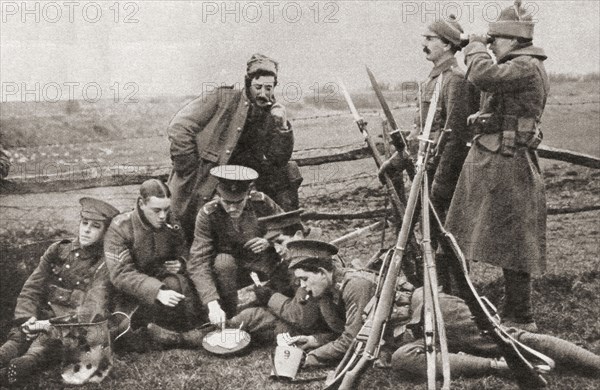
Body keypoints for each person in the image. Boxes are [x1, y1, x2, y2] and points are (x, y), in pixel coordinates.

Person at [444, 2, 549, 331]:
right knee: (463, 232)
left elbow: (482, 75)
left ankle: (519, 316)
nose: (492, 46)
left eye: (495, 40)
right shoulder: (519, 66)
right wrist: (485, 119)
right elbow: (508, 105)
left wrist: (475, 46)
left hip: (507, 162)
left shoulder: (525, 65)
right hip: (495, 159)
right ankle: (461, 306)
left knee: (514, 241)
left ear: (513, 39)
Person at [379, 15, 479, 292]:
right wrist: (398, 160)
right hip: (427, 172)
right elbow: (421, 132)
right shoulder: (434, 80)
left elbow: (456, 137)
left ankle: (460, 300)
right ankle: (441, 297)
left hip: (445, 176)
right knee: (431, 238)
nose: (423, 44)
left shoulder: (456, 81)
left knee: (448, 240)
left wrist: (442, 184)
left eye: (430, 39)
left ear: (447, 45)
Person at [167, 53, 302, 242]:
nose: (263, 93)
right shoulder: (223, 97)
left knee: (289, 172)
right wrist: (187, 165)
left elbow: (278, 159)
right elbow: (179, 126)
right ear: (248, 83)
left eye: (268, 88)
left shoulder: (271, 111)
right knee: (186, 230)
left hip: (245, 182)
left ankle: (287, 237)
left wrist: (282, 126)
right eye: (258, 87)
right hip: (209, 177)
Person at [0, 197, 119, 386]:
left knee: (43, 348)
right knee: (15, 341)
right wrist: (26, 318)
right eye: (84, 223)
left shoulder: (104, 264)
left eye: (95, 226)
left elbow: (90, 311)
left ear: (105, 232)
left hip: (70, 328)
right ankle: (8, 353)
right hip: (39, 318)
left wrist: (46, 325)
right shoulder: (58, 250)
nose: (87, 229)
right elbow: (32, 287)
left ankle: (19, 368)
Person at [391, 288, 600, 381]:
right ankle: (499, 366)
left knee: (515, 341)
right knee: (402, 359)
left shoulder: (359, 283)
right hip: (416, 332)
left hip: (428, 308)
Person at [104, 179, 202, 343]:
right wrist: (157, 291)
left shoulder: (171, 221)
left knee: (177, 286)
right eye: (156, 210)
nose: (163, 216)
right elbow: (121, 274)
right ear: (141, 204)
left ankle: (174, 333)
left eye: (166, 209)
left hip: (164, 284)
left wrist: (182, 262)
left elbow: (184, 250)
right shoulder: (120, 227)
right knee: (124, 330)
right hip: (131, 292)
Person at [187, 165, 285, 327]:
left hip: (263, 262)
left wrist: (269, 241)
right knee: (223, 262)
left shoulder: (261, 202)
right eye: (226, 202)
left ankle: (273, 305)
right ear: (218, 195)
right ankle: (228, 314)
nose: (232, 208)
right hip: (229, 271)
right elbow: (198, 261)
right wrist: (212, 304)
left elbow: (288, 225)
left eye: (238, 202)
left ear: (248, 194)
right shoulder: (208, 214)